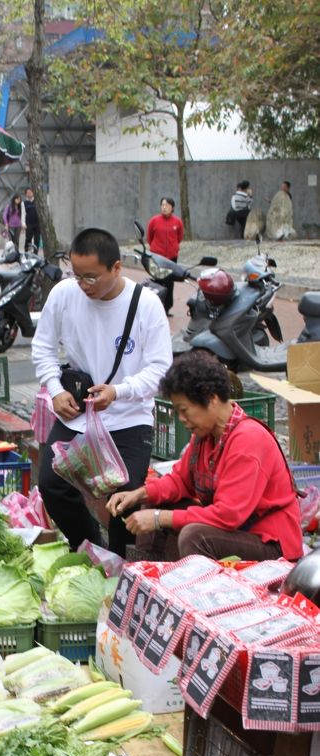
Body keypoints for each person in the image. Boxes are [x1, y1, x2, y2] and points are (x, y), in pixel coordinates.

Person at [32, 227, 172, 557]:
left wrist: (120, 391)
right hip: (77, 414)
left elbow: (159, 368)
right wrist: (54, 390)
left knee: (123, 500)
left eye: (92, 277)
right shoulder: (64, 295)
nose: (83, 285)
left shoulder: (146, 305)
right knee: (52, 486)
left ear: (116, 268)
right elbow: (43, 348)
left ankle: (122, 567)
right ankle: (90, 549)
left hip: (128, 417)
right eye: (77, 275)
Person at [107, 351, 303, 563]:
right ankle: (151, 578)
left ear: (212, 399)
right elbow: (180, 481)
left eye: (184, 410)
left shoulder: (249, 440)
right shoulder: (205, 435)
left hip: (270, 545)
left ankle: (192, 591)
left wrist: (159, 518)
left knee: (194, 536)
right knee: (157, 502)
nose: (181, 419)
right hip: (237, 531)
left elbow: (228, 515)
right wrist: (140, 494)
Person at [146, 197, 184, 316]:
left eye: (167, 205)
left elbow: (180, 237)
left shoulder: (177, 222)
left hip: (171, 258)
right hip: (157, 257)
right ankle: (154, 307)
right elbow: (149, 236)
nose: (164, 207)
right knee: (156, 281)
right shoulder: (154, 221)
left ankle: (167, 307)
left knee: (169, 282)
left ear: (172, 207)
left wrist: (174, 247)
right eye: (162, 205)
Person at [23, 186, 41, 254]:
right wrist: (23, 223)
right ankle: (27, 252)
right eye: (28, 192)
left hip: (37, 223)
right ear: (26, 194)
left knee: (37, 239)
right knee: (28, 238)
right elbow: (23, 214)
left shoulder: (37, 201)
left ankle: (35, 253)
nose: (29, 193)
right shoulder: (24, 203)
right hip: (29, 223)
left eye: (30, 192)